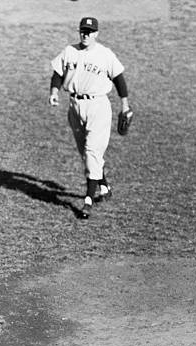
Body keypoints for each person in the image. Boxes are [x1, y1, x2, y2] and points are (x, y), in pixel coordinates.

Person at [48, 16, 131, 219]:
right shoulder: (70, 51)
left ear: (97, 34)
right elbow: (57, 72)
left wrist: (125, 105)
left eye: (90, 31)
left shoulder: (105, 54)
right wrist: (54, 91)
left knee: (92, 151)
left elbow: (119, 78)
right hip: (75, 106)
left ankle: (87, 200)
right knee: (86, 154)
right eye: (83, 31)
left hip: (98, 106)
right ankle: (104, 187)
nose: (85, 34)